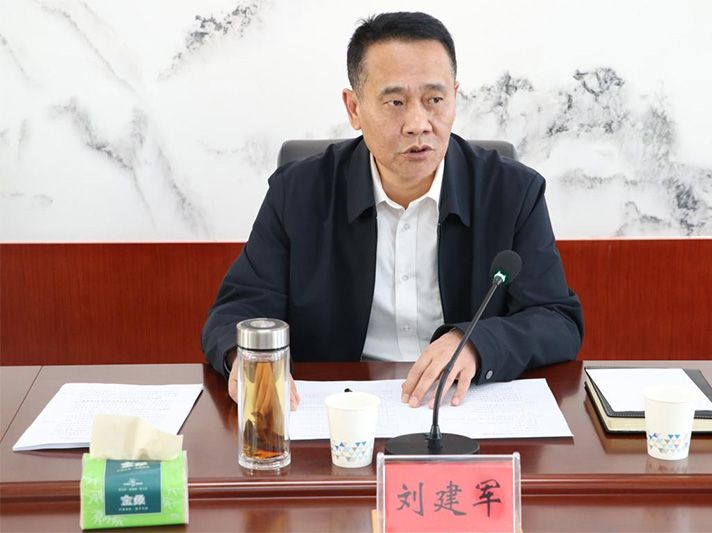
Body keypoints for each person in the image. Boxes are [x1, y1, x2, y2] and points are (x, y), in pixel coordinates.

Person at [202, 11, 583, 410]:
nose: (418, 124)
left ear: (455, 98)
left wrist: (476, 343)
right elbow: (235, 312)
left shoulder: (512, 192)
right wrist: (245, 358)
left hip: (461, 406)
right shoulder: (298, 193)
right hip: (338, 411)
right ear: (354, 108)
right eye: (395, 102)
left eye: (435, 100)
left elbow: (556, 320)